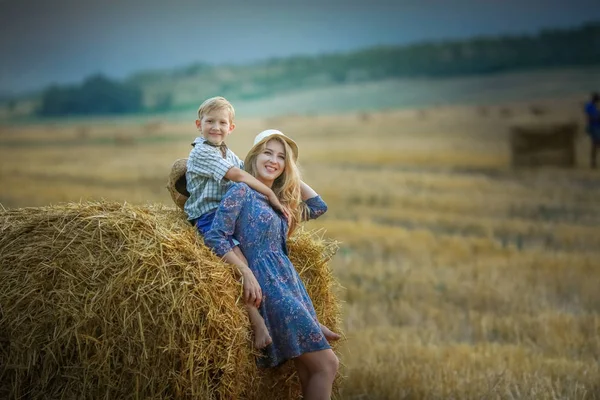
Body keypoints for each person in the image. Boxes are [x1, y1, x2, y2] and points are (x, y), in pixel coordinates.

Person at [205, 130, 340, 399]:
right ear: (254, 156)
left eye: (281, 157)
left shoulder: (277, 202)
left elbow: (318, 206)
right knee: (327, 364)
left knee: (309, 372)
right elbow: (216, 235)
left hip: (290, 284)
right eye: (267, 152)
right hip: (268, 287)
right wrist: (244, 270)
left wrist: (290, 177)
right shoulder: (240, 191)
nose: (273, 161)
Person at [585, 92, 600, 168]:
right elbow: (592, 117)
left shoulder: (593, 106)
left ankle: (593, 162)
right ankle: (593, 162)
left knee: (595, 144)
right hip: (594, 127)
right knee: (596, 144)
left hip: (596, 127)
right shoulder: (590, 106)